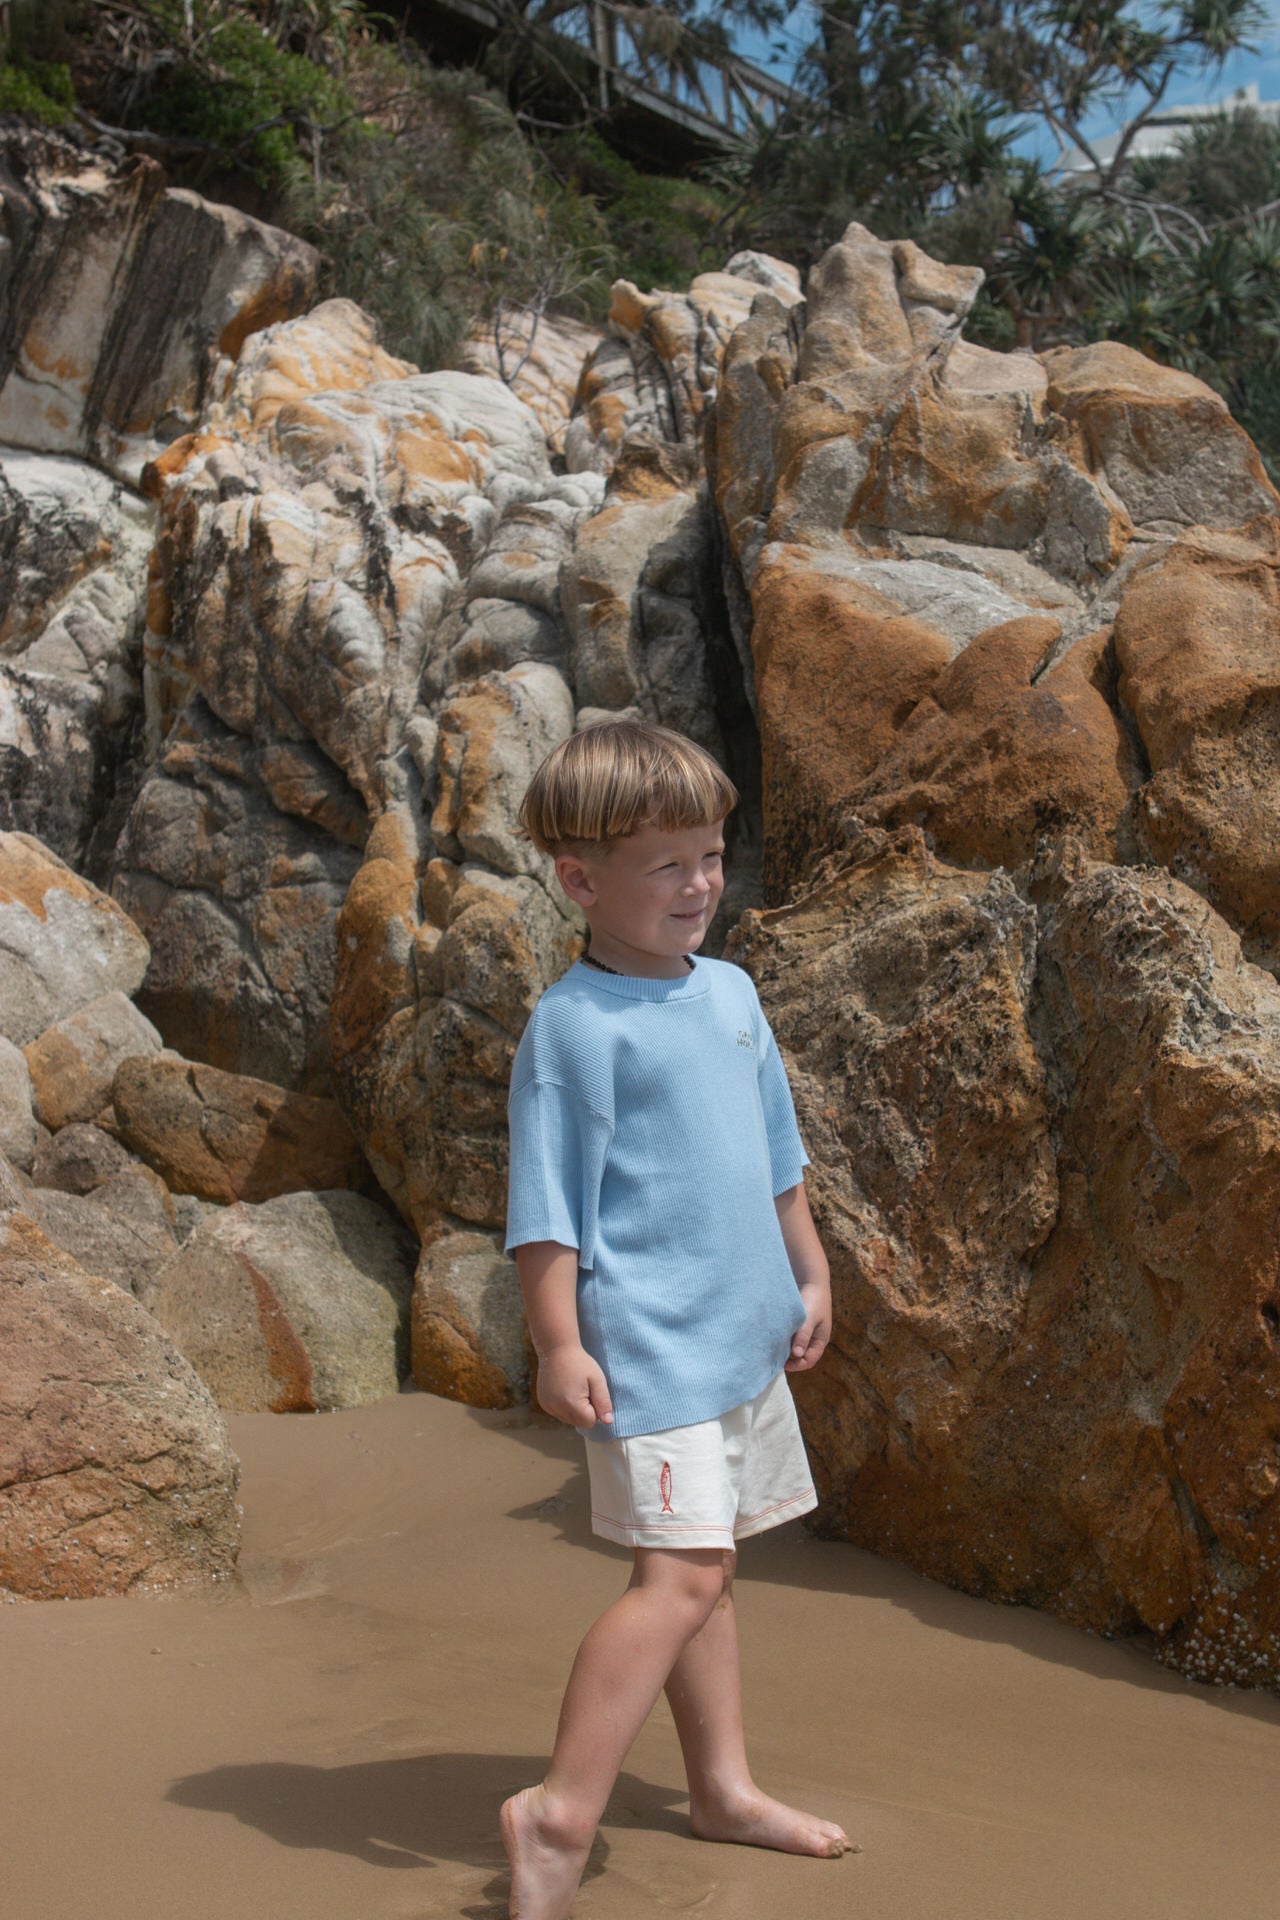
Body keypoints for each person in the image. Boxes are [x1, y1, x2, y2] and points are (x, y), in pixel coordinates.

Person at [500, 718, 851, 1919]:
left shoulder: (730, 992)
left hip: (741, 1340)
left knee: (710, 1569)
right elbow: (546, 1210)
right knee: (680, 1578)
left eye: (710, 855)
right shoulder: (575, 1029)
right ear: (579, 881)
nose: (699, 884)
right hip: (647, 1351)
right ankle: (558, 1812)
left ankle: (722, 1790)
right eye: (666, 865)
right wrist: (557, 1342)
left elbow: (774, 1155)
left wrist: (808, 1274)